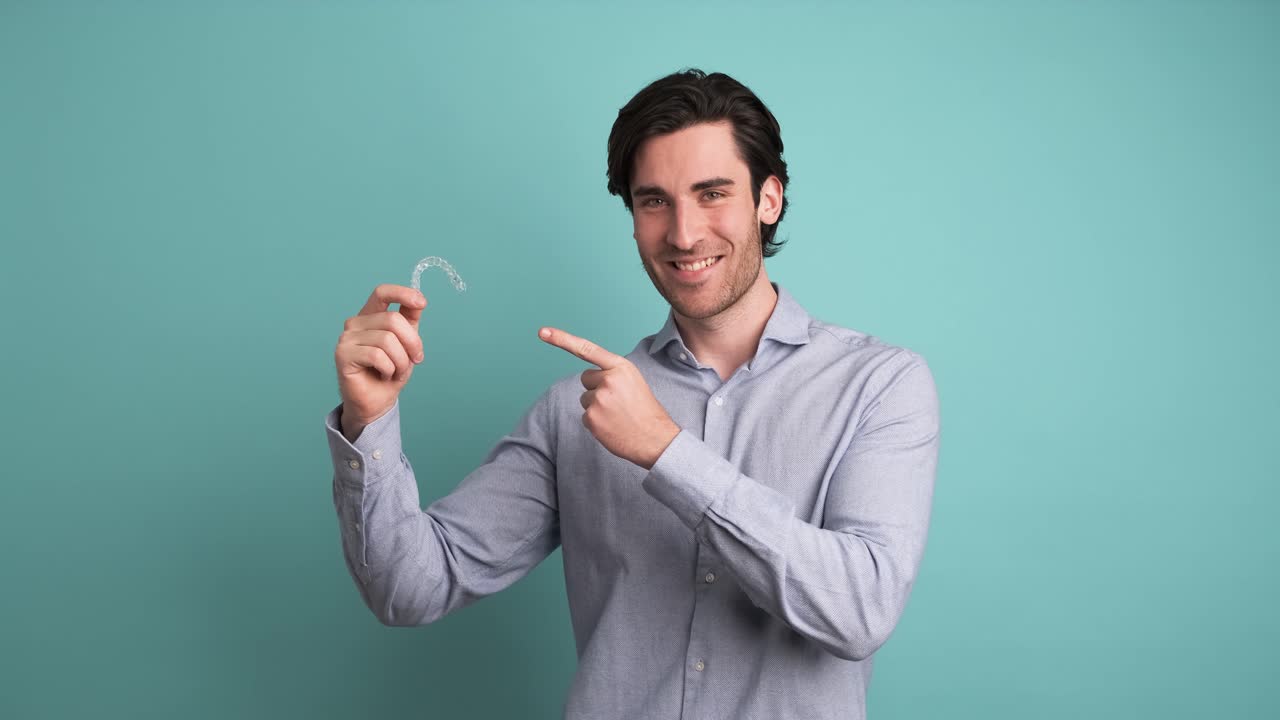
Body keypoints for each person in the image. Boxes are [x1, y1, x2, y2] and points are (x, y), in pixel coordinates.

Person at [324, 68, 940, 720]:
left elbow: (861, 610)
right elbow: (411, 589)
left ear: (769, 199)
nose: (683, 233)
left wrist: (666, 452)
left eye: (712, 194)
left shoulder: (879, 385)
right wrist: (372, 419)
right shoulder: (575, 411)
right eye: (654, 201)